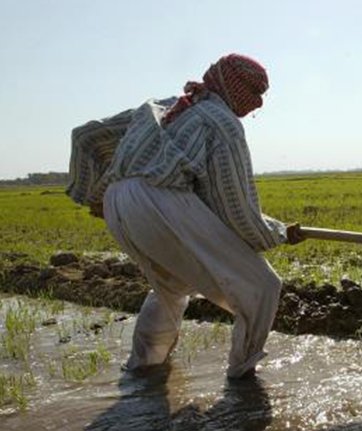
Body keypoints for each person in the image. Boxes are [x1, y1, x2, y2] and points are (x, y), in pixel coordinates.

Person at [66, 53, 301, 378]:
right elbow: (236, 209)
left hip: (119, 202)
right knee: (262, 285)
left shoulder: (161, 106)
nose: (258, 104)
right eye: (254, 93)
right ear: (233, 88)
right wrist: (277, 234)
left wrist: (97, 196)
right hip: (157, 201)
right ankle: (242, 377)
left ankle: (144, 368)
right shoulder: (222, 123)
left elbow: (85, 136)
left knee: (171, 286)